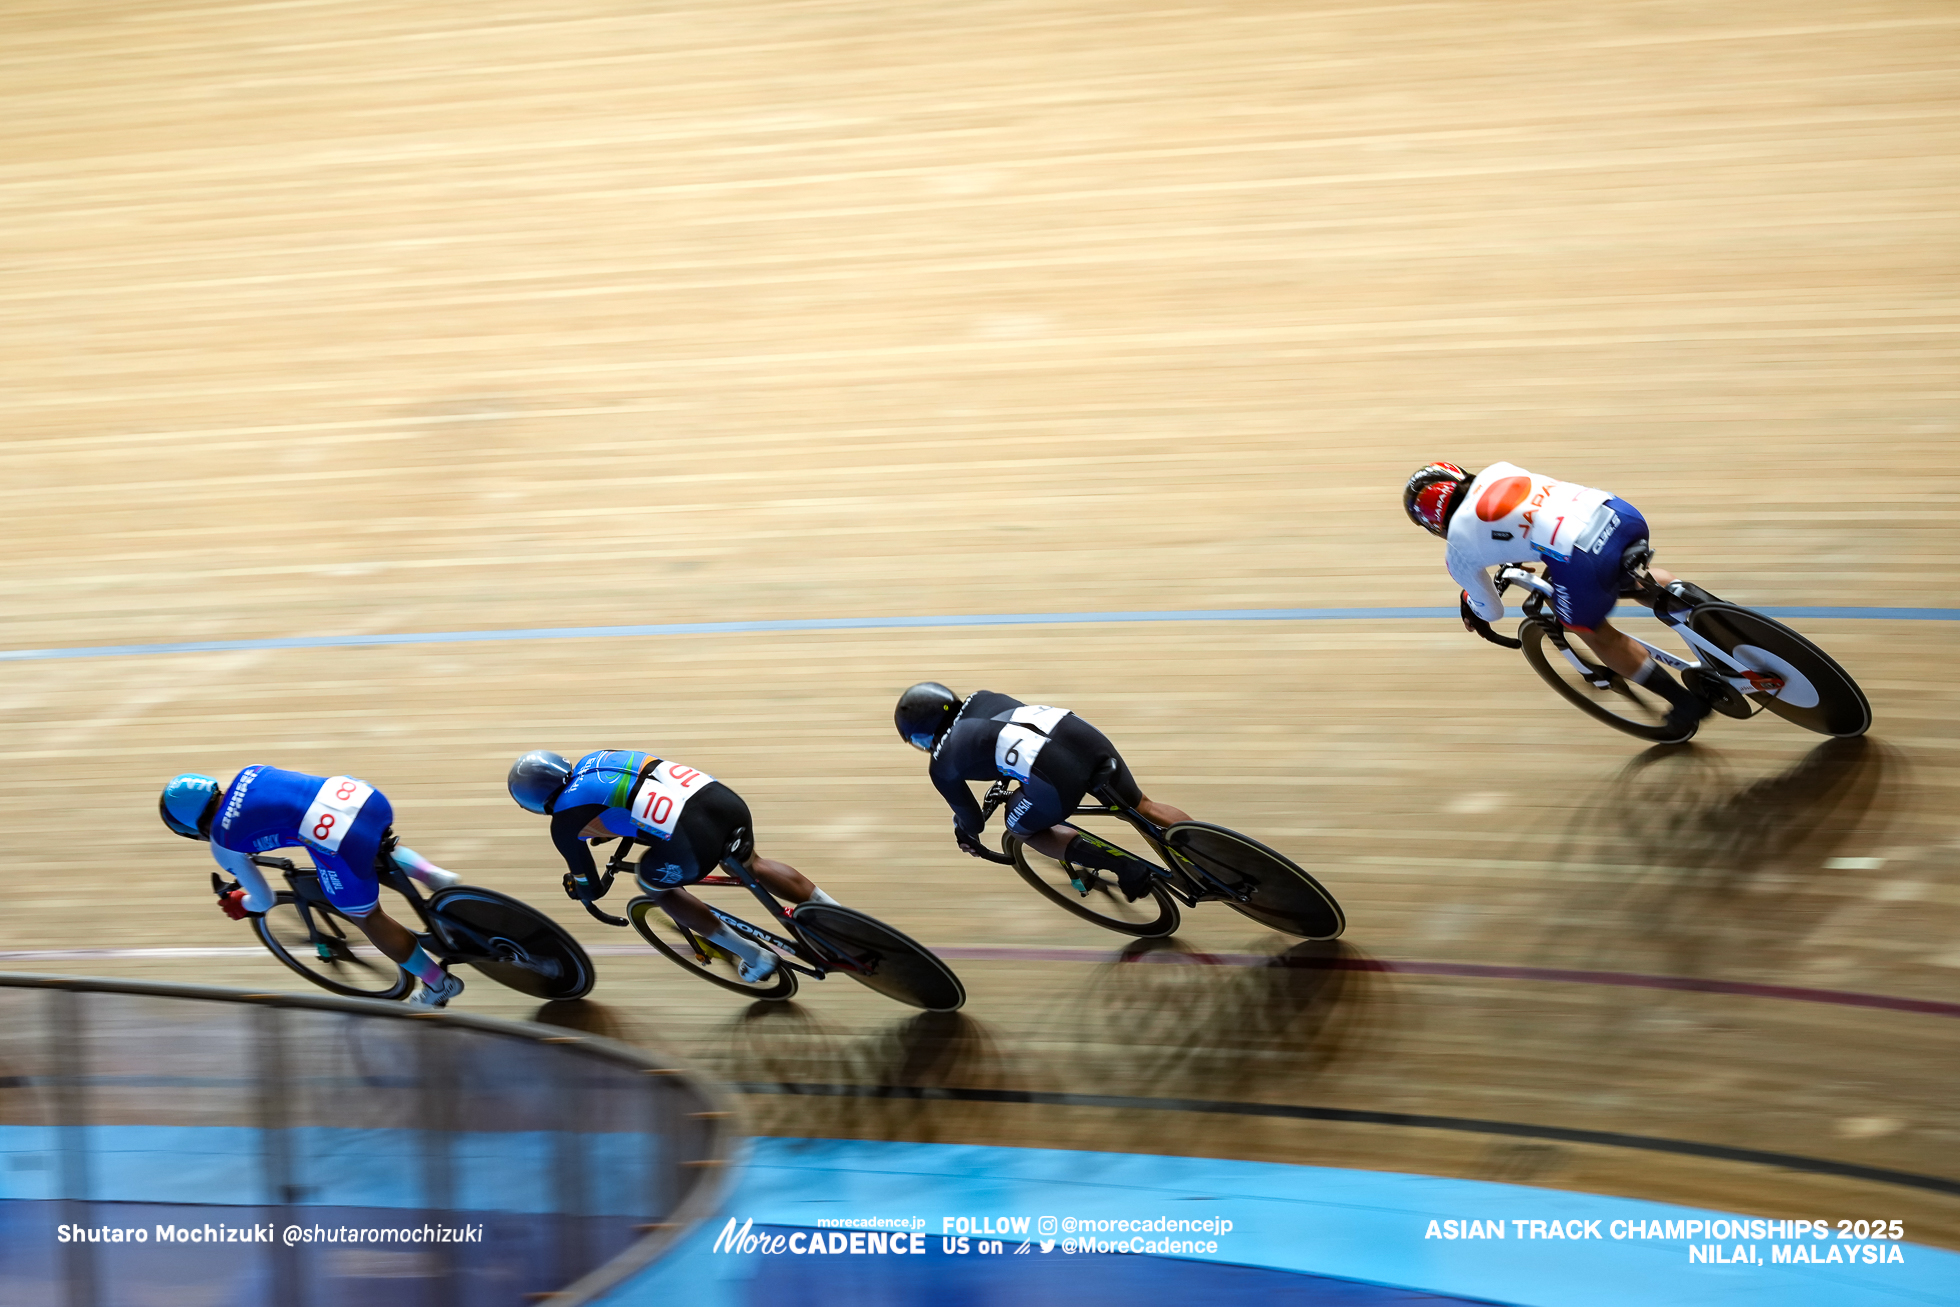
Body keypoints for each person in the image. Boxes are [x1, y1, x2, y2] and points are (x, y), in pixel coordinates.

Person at [1403, 461, 1718, 738]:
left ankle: (1685, 703)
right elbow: (1526, 520)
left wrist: (1471, 601)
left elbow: (1492, 611)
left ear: (1432, 523)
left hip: (1582, 558)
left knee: (1590, 629)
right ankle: (1723, 624)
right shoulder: (1499, 470)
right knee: (1638, 579)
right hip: (1619, 514)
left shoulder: (1457, 547)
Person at [506, 749, 837, 984]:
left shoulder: (564, 823)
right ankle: (838, 915)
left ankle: (755, 956)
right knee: (750, 863)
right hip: (723, 802)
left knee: (653, 884)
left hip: (693, 837)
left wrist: (578, 888)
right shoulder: (597, 757)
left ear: (533, 805)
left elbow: (590, 887)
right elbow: (630, 793)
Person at [159, 767, 466, 1006]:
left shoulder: (222, 841)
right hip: (362, 797)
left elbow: (264, 900)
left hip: (341, 837)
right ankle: (434, 877)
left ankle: (438, 983)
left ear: (188, 829)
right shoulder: (250, 772)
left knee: (367, 916)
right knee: (372, 844)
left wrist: (243, 903)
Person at [894, 682, 1192, 899]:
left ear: (923, 736)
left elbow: (974, 822)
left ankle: (1124, 866)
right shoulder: (982, 696)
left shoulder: (941, 764)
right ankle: (1212, 849)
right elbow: (1007, 737)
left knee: (1019, 826)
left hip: (1053, 774)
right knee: (1143, 806)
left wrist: (963, 831)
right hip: (1079, 735)